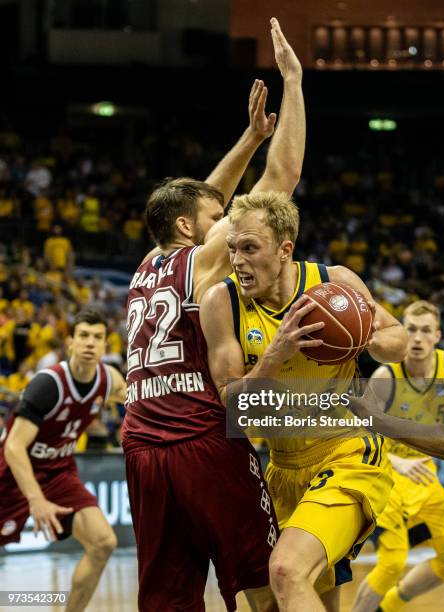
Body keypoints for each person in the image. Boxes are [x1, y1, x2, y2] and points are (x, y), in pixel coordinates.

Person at [123, 18, 305, 612]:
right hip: (198, 436)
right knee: (263, 586)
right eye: (216, 218)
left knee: (169, 597)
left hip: (141, 444)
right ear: (190, 230)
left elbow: (196, 199)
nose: (226, 221)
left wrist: (249, 137)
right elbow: (279, 184)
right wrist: (294, 82)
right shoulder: (201, 263)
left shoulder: (146, 267)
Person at [199, 191, 408, 612]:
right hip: (282, 467)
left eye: (250, 248)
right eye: (232, 248)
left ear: (284, 250)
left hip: (348, 454)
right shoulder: (221, 302)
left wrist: (364, 336)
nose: (237, 260)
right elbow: (233, 404)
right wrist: (273, 357)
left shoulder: (334, 283)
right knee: (273, 602)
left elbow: (397, 340)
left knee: (286, 572)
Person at [0, 308, 127, 612]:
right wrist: (36, 500)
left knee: (102, 543)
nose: (89, 343)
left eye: (97, 337)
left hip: (59, 472)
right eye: (83, 336)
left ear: (105, 347)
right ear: (70, 342)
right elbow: (14, 447)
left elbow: (142, 403)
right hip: (14, 472)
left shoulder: (109, 380)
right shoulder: (49, 384)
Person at [351, 301, 444, 612]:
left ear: (437, 336)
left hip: (426, 478)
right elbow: (356, 433)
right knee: (391, 563)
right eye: (411, 330)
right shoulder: (385, 377)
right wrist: (396, 461)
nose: (417, 338)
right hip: (388, 478)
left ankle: (387, 606)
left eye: (425, 331)